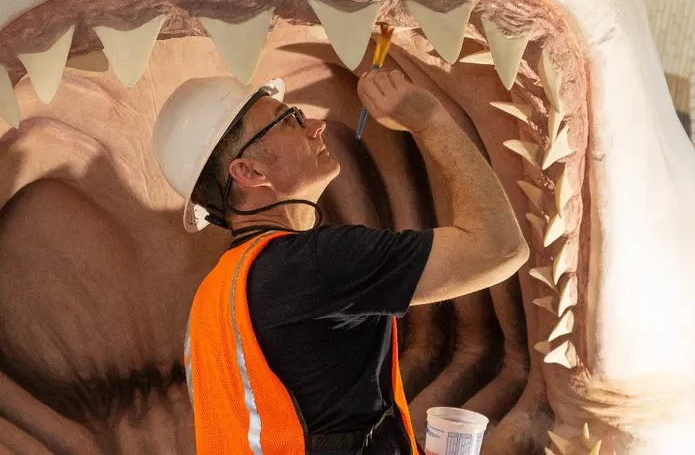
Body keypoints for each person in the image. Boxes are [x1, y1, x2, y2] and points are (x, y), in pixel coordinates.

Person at [152, 68, 529, 455]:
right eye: (290, 120)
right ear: (250, 171)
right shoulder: (314, 264)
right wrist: (429, 118)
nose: (316, 126)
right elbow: (498, 247)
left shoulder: (214, 296)